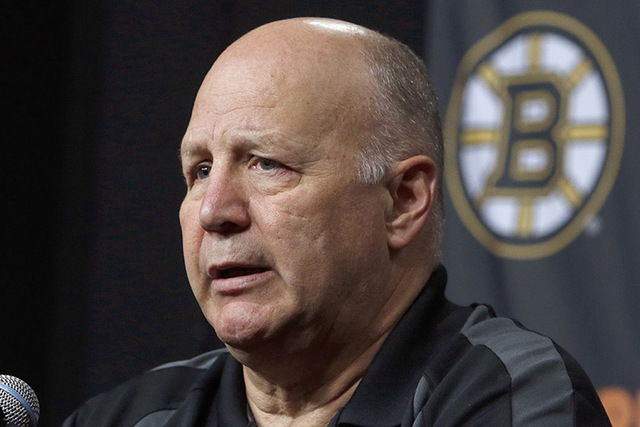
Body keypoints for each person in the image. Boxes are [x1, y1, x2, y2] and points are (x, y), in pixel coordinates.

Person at [63, 17, 610, 426]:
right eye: (201, 171)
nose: (214, 211)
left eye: (267, 164)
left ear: (402, 201)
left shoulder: (506, 396)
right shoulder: (127, 418)